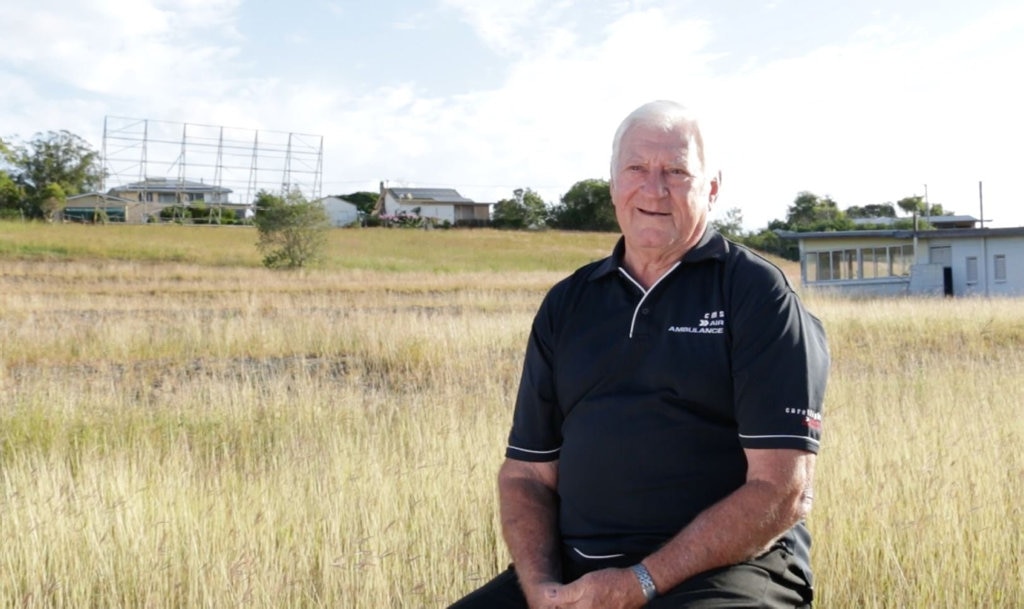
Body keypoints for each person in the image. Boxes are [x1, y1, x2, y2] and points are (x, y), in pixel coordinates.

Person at [449, 100, 829, 609]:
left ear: (711, 188)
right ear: (612, 184)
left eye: (676, 171)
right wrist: (539, 588)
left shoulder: (757, 295)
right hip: (577, 568)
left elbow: (781, 490)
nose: (654, 189)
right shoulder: (569, 304)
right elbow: (527, 474)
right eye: (636, 169)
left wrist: (642, 582)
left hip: (725, 571)